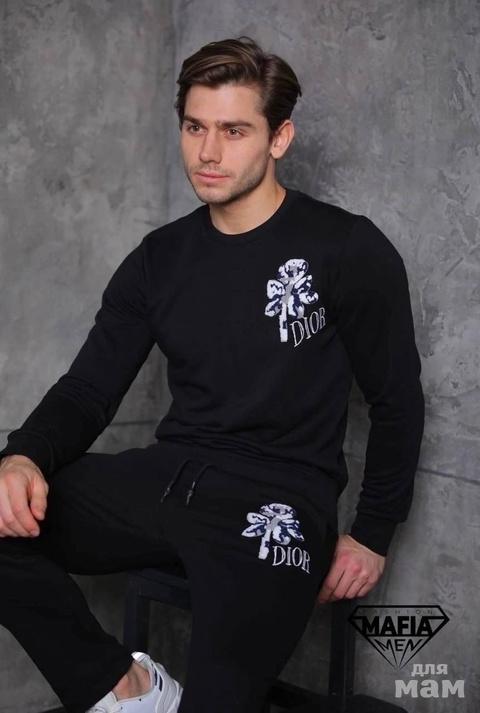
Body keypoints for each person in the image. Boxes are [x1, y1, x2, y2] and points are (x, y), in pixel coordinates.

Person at [0, 35, 425, 713]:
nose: (208, 152)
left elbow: (397, 401)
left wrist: (373, 533)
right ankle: (130, 689)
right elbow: (87, 390)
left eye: (234, 131)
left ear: (279, 138)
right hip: (168, 478)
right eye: (195, 127)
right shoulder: (159, 259)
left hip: (280, 502)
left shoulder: (347, 249)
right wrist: (23, 455)